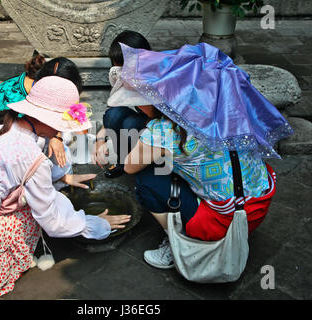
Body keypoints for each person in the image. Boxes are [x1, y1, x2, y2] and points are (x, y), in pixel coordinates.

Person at [0, 76, 131, 300]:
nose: (61, 133)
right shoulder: (29, 156)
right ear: (47, 121)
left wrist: (62, 180)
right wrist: (94, 224)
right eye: (61, 126)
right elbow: (52, 220)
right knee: (33, 214)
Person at [117, 43, 292, 270]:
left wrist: (144, 137)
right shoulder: (226, 108)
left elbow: (130, 167)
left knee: (146, 179)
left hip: (223, 221)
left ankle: (178, 243)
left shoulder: (162, 131)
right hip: (256, 208)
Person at [92, 30, 158, 178]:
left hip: (160, 130)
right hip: (146, 123)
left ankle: (144, 168)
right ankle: (124, 163)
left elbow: (159, 121)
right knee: (113, 115)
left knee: (129, 126)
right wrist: (100, 140)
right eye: (118, 68)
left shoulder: (156, 79)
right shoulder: (122, 76)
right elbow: (112, 110)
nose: (122, 74)